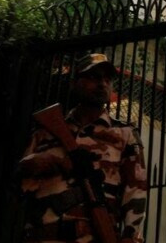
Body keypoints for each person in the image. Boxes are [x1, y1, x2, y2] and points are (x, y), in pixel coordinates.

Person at [19, 53, 148, 243]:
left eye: (107, 79)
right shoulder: (46, 132)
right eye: (94, 77)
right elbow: (18, 185)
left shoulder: (124, 134)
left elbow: (136, 189)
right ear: (75, 82)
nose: (102, 84)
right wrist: (51, 164)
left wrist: (130, 236)